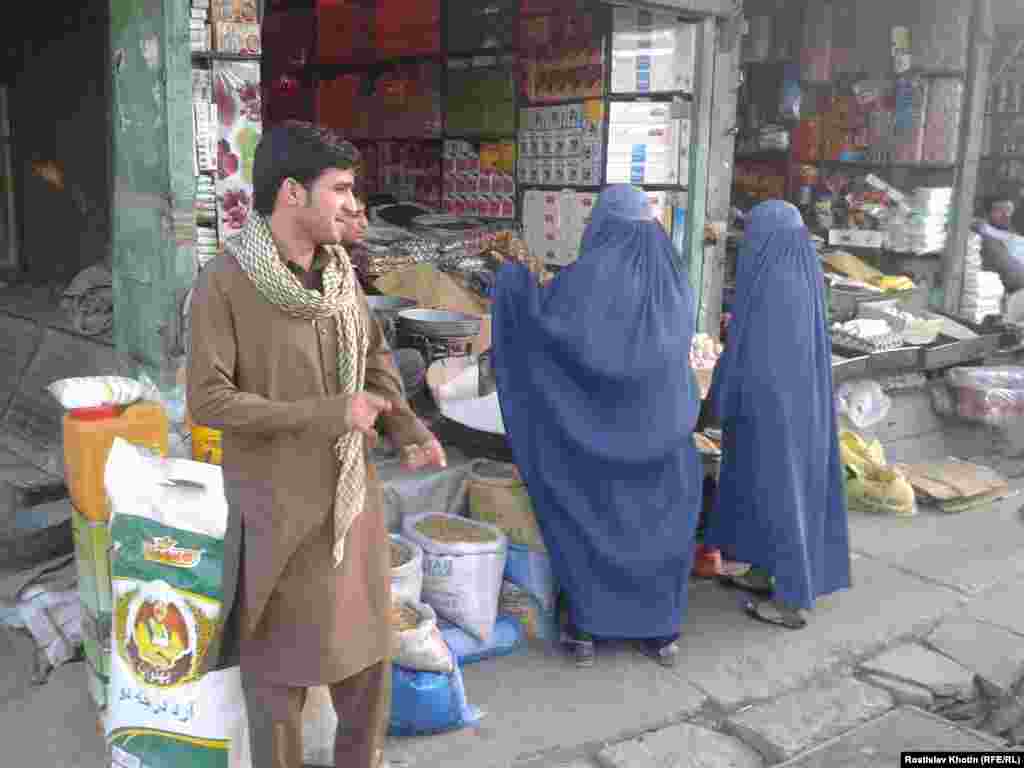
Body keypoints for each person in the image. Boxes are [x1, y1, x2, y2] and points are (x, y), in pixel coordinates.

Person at [187, 121, 446, 768]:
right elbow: (209, 401)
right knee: (277, 688)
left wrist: (406, 427)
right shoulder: (223, 284)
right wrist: (330, 413)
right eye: (340, 189)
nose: (353, 205)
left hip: (351, 511)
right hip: (277, 517)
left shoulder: (339, 277)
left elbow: (376, 362)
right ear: (293, 194)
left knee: (365, 671)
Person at [491, 184, 703, 669]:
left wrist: (512, 285)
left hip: (596, 441)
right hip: (664, 433)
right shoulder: (676, 278)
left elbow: (545, 331)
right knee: (660, 525)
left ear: (600, 225)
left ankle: (585, 627)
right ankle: (660, 631)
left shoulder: (583, 279)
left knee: (591, 516)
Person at [705, 200, 850, 630]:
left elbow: (758, 352)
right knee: (760, 490)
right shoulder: (798, 271)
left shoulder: (778, 281)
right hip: (787, 407)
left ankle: (791, 599)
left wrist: (722, 390)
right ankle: (763, 570)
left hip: (776, 412)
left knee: (780, 495)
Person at [975, 196, 1024, 293]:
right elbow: (1015, 275)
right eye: (999, 210)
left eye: (1008, 209)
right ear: (987, 214)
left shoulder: (1014, 235)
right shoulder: (987, 237)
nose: (1005, 214)